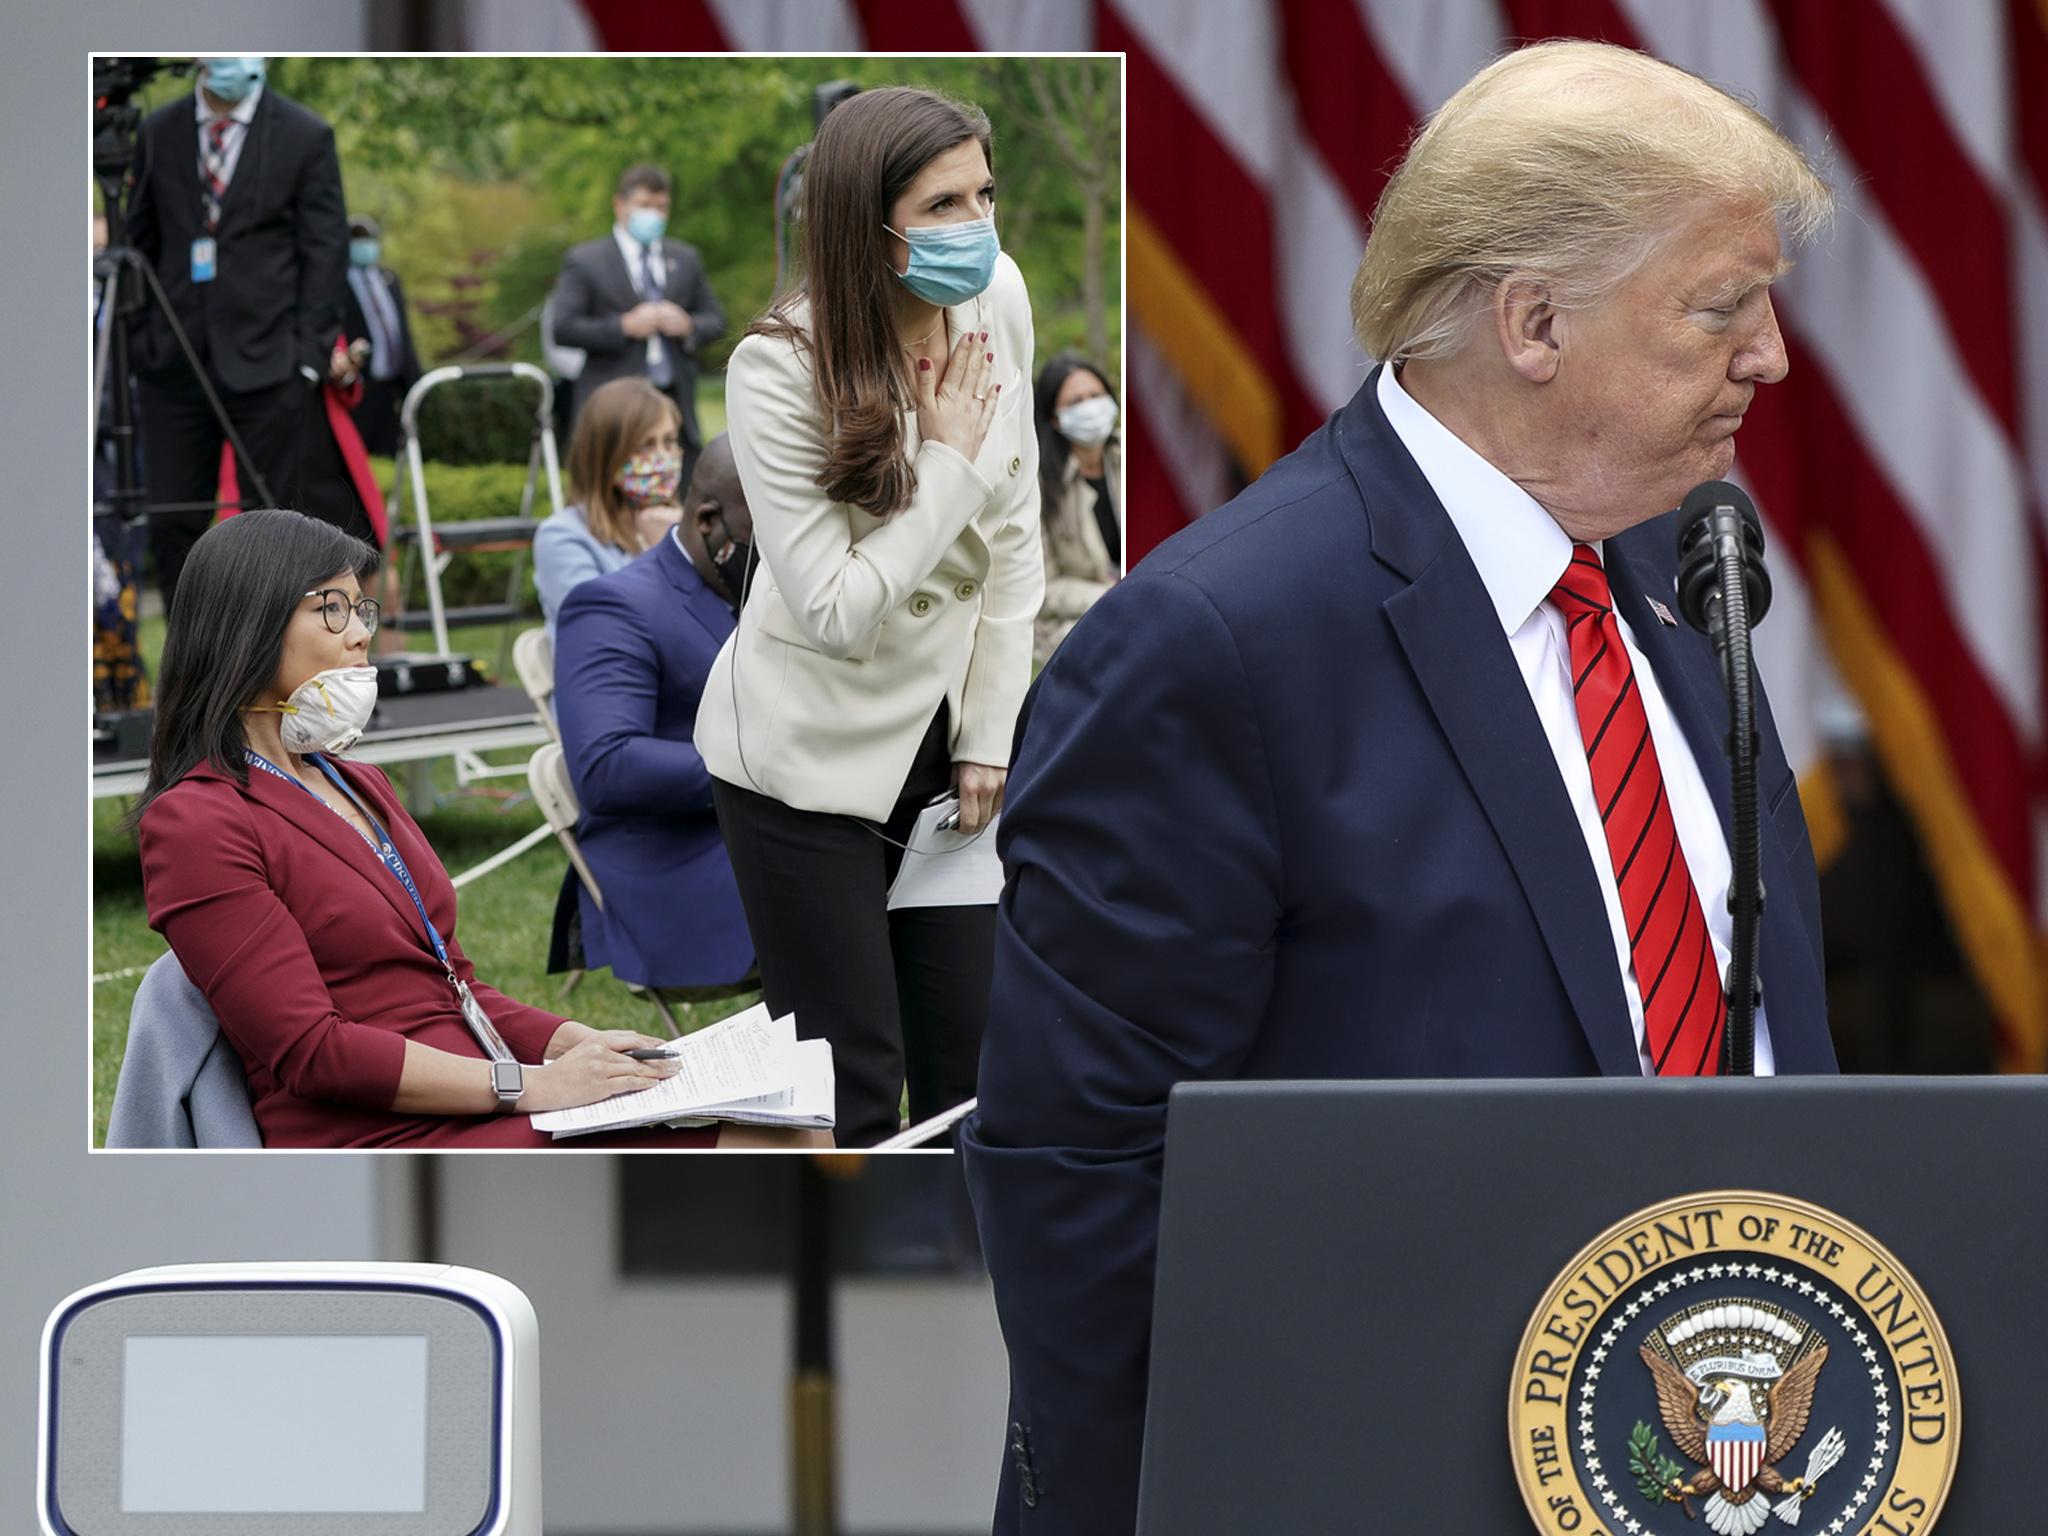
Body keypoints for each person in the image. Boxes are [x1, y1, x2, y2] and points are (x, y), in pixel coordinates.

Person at [961, 41, 1842, 1531]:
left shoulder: (1689, 595)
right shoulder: (1215, 645)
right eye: (1719, 305)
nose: (1770, 353)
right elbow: (1082, 1184)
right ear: (1535, 321)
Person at [132, 508, 804, 1150]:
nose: (361, 632)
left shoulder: (355, 780)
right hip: (373, 1129)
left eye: (359, 608)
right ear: (247, 627)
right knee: (776, 1138)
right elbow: (313, 1051)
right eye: (330, 609)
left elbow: (452, 984)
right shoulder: (197, 820)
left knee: (793, 1121)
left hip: (480, 1092)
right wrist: (531, 1083)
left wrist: (570, 1041)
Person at [693, 87, 1044, 1147]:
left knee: (973, 1067)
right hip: (800, 761)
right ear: (865, 221)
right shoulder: (774, 367)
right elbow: (838, 610)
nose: (975, 227)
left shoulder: (998, 298)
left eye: (984, 194)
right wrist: (941, 460)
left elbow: (1014, 536)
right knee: (848, 1076)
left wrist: (988, 731)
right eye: (941, 206)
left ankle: (965, 1287)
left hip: (947, 749)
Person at [123, 57, 349, 618]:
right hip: (172, 362)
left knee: (270, 524)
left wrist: (308, 358)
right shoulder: (157, 131)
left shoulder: (304, 134)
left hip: (270, 362)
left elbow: (325, 250)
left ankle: (264, 662)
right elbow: (139, 242)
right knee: (175, 519)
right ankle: (190, 672)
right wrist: (141, 339)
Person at [549, 434, 757, 997]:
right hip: (682, 867)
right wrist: (770, 765)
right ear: (709, 522)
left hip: (770, 841)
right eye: (769, 537)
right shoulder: (615, 604)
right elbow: (606, 764)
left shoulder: (774, 590)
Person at [551, 163, 724, 487]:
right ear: (621, 205)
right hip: (613, 407)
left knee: (678, 502)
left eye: (662, 207)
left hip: (674, 406)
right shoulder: (585, 260)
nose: (654, 215)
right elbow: (563, 328)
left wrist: (688, 325)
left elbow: (716, 319)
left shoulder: (685, 258)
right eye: (645, 206)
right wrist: (623, 326)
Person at [533, 377, 687, 633]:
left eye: (669, 441)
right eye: (646, 445)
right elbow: (604, 631)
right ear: (606, 455)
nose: (663, 458)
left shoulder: (680, 525)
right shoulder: (563, 537)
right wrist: (663, 555)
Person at [1031, 353, 1122, 664]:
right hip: (1081, 618)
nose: (1090, 407)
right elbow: (1043, 588)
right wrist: (1111, 595)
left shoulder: (1128, 455)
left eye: (1096, 396)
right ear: (1055, 419)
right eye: (1076, 401)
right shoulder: (1039, 486)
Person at [339, 214, 422, 458]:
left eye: (369, 239)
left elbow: (402, 334)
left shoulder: (388, 279)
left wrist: (413, 379)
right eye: (358, 239)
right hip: (359, 387)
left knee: (391, 454)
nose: (365, 245)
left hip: (391, 388)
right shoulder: (335, 283)